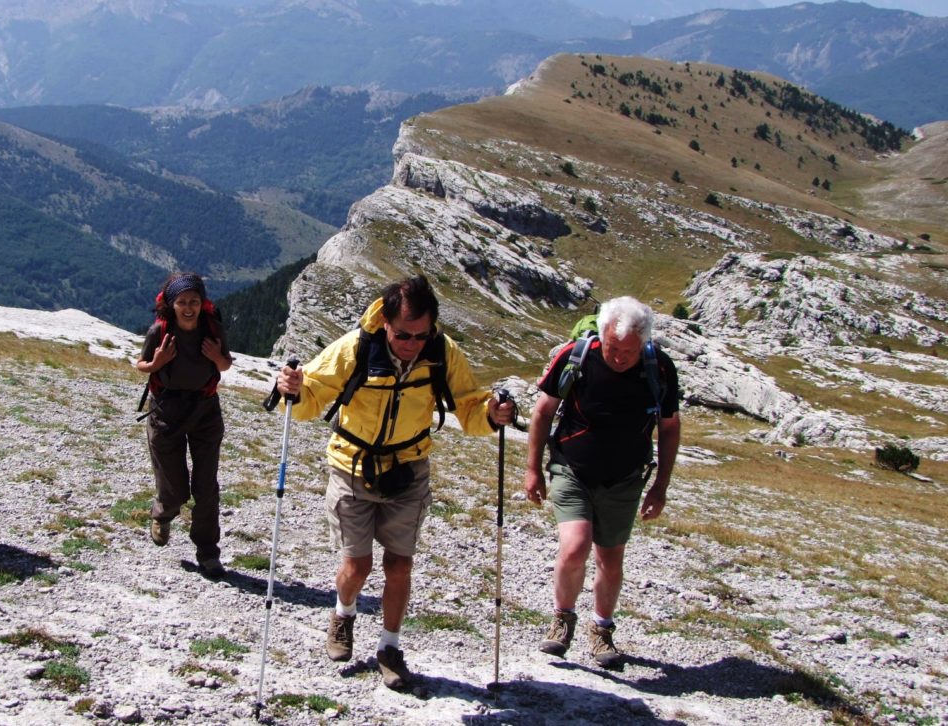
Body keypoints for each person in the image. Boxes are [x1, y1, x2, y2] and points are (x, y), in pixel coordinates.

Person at [274, 275, 514, 690]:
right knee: (357, 565)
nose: (411, 344)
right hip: (352, 465)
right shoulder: (355, 347)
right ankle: (344, 613)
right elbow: (310, 395)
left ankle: (390, 647)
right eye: (403, 335)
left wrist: (493, 416)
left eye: (421, 336)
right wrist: (290, 390)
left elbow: (470, 406)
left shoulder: (442, 352)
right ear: (385, 321)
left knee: (400, 564)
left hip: (409, 466)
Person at [523, 296, 681, 669]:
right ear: (602, 334)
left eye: (628, 351)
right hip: (571, 468)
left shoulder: (657, 367)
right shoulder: (576, 356)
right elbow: (543, 411)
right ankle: (562, 619)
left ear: (642, 342)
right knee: (575, 547)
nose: (619, 357)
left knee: (610, 558)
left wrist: (660, 486)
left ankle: (602, 629)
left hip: (625, 477)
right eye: (612, 347)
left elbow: (670, 428)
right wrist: (532, 468)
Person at [136, 273, 233, 579]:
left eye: (193, 301)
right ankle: (163, 513)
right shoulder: (159, 331)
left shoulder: (212, 329)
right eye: (181, 302)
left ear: (202, 303)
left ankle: (208, 552)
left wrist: (218, 357)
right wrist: (157, 363)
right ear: (171, 304)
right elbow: (142, 365)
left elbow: (225, 364)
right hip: (167, 411)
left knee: (207, 488)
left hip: (206, 410)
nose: (188, 307)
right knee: (175, 486)